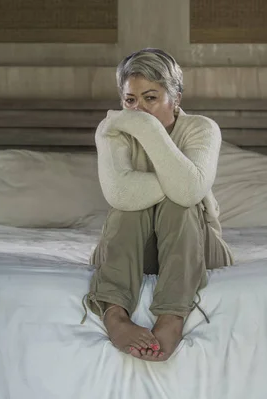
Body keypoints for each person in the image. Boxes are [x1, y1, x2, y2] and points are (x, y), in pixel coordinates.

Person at [83, 48, 234, 362]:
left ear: (176, 98)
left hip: (195, 246)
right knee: (131, 206)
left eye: (151, 98)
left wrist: (147, 131)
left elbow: (189, 193)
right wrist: (182, 185)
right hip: (129, 248)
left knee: (182, 206)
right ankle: (115, 314)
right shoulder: (112, 131)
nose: (138, 110)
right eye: (130, 101)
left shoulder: (201, 129)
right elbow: (121, 195)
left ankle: (171, 315)